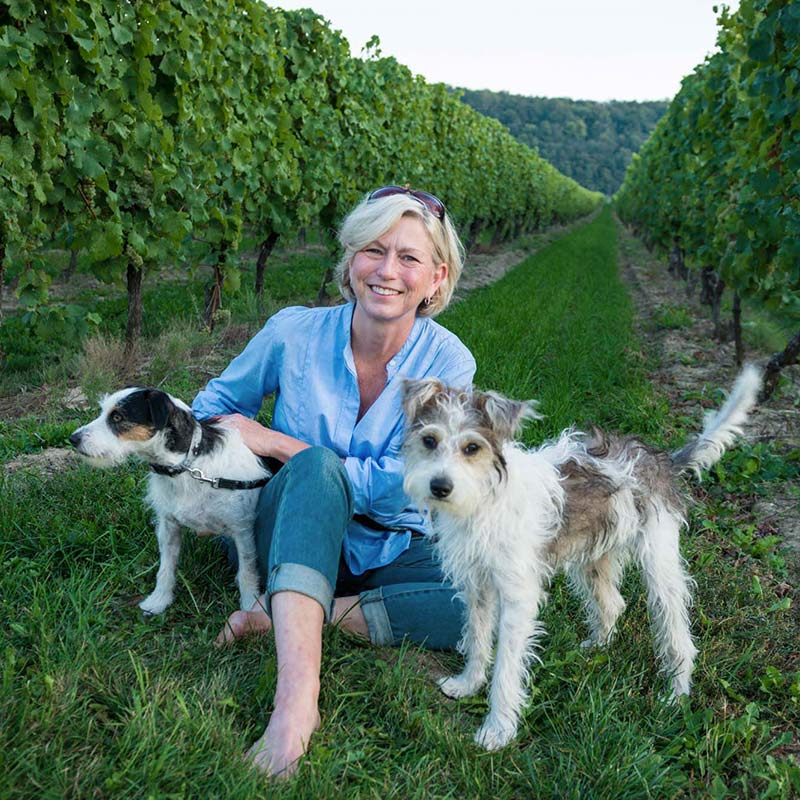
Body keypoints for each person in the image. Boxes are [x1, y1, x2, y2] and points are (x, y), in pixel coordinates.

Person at [191, 186, 476, 777]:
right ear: (350, 260)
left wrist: (279, 442)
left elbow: (411, 481)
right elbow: (211, 408)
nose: (387, 270)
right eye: (373, 250)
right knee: (317, 471)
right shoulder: (293, 332)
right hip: (287, 527)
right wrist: (248, 465)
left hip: (388, 541)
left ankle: (294, 613)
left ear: (436, 278)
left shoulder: (450, 363)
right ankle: (296, 706)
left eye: (409, 257)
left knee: (477, 603)